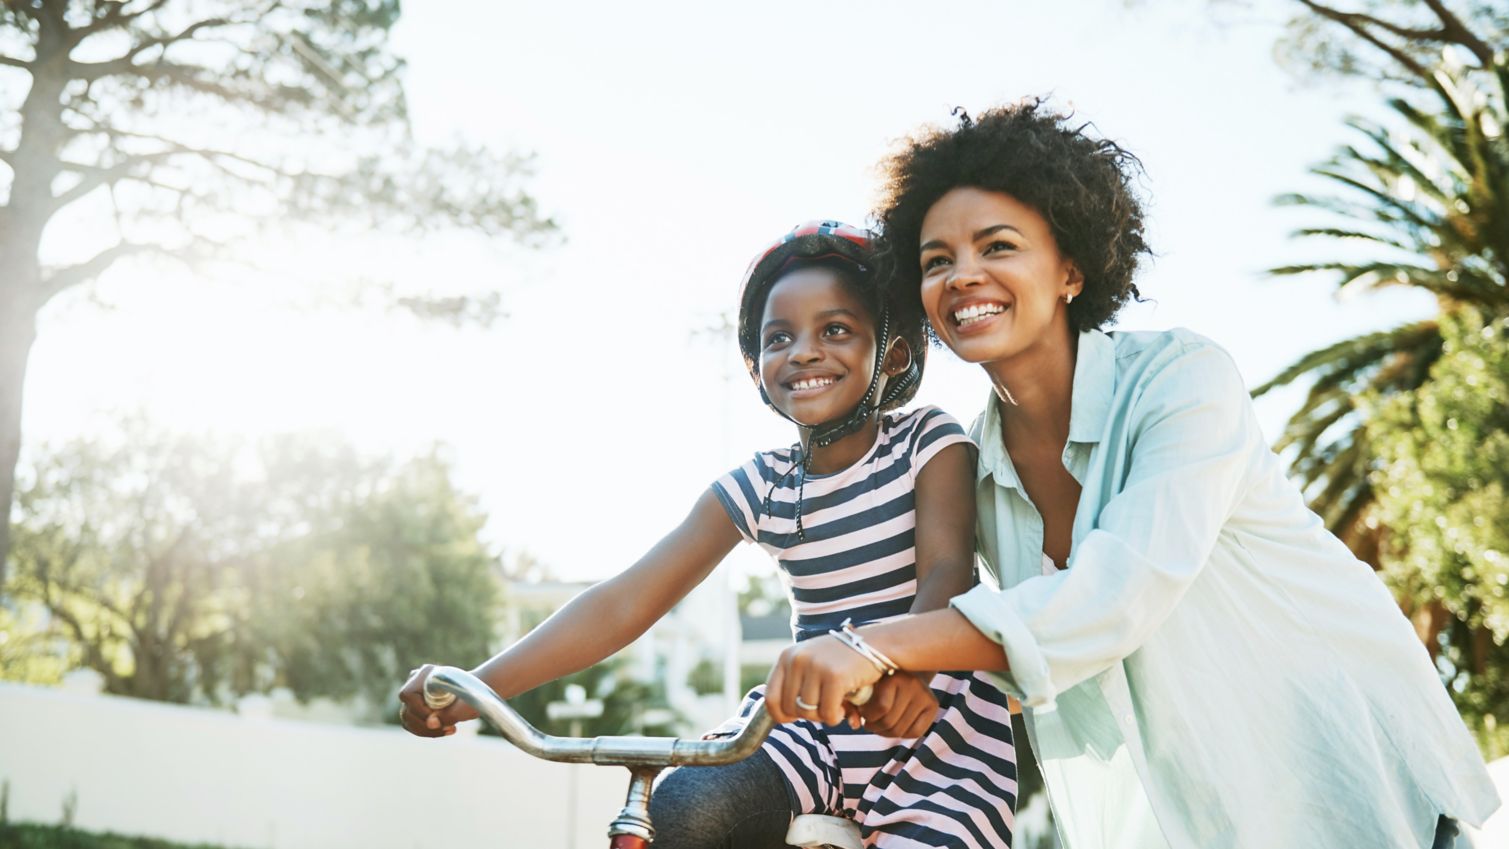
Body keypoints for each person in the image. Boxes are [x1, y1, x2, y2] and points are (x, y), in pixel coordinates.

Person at [762, 102, 1502, 849]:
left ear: (1071, 269)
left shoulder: (1181, 380)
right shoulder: (970, 468)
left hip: (1352, 792)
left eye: (998, 246)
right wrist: (909, 683)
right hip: (1182, 821)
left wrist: (871, 646)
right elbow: (1027, 647)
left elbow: (1114, 596)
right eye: (935, 261)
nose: (963, 276)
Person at [398, 221, 1018, 849]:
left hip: (934, 726)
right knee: (685, 807)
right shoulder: (761, 486)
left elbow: (948, 568)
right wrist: (476, 690)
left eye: (835, 330)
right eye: (780, 338)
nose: (803, 351)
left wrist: (903, 665)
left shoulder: (927, 442)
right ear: (757, 366)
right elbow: (625, 601)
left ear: (893, 355)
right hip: (813, 730)